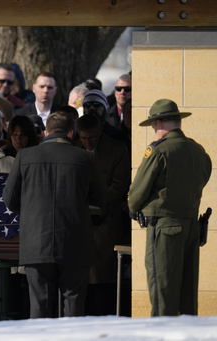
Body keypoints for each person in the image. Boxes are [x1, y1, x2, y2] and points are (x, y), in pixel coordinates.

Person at [3, 112, 100, 318]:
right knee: (74, 307)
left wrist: (32, 210)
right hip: (75, 242)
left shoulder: (24, 156)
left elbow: (10, 200)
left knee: (39, 307)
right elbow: (100, 198)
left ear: (46, 131)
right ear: (71, 132)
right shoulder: (86, 158)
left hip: (36, 243)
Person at [128, 99, 212, 317]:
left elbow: (136, 194)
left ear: (160, 122)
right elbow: (204, 177)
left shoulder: (158, 151)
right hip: (191, 227)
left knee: (162, 293)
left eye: (154, 125)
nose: (154, 130)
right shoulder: (198, 150)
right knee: (187, 296)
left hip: (164, 229)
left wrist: (134, 207)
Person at [76, 114, 130, 316]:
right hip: (80, 223)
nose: (87, 143)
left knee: (104, 279)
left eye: (91, 138)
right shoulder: (75, 149)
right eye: (83, 138)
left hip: (106, 222)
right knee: (82, 281)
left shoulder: (116, 149)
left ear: (100, 132)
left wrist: (99, 208)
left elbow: (118, 185)